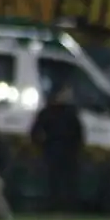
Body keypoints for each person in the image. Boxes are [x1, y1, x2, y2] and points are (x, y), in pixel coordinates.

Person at [30, 84, 85, 213]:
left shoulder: (71, 113)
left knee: (68, 182)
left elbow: (79, 134)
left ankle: (67, 207)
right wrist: (43, 144)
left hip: (68, 152)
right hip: (53, 150)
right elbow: (35, 132)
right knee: (53, 181)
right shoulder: (48, 113)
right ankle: (53, 207)